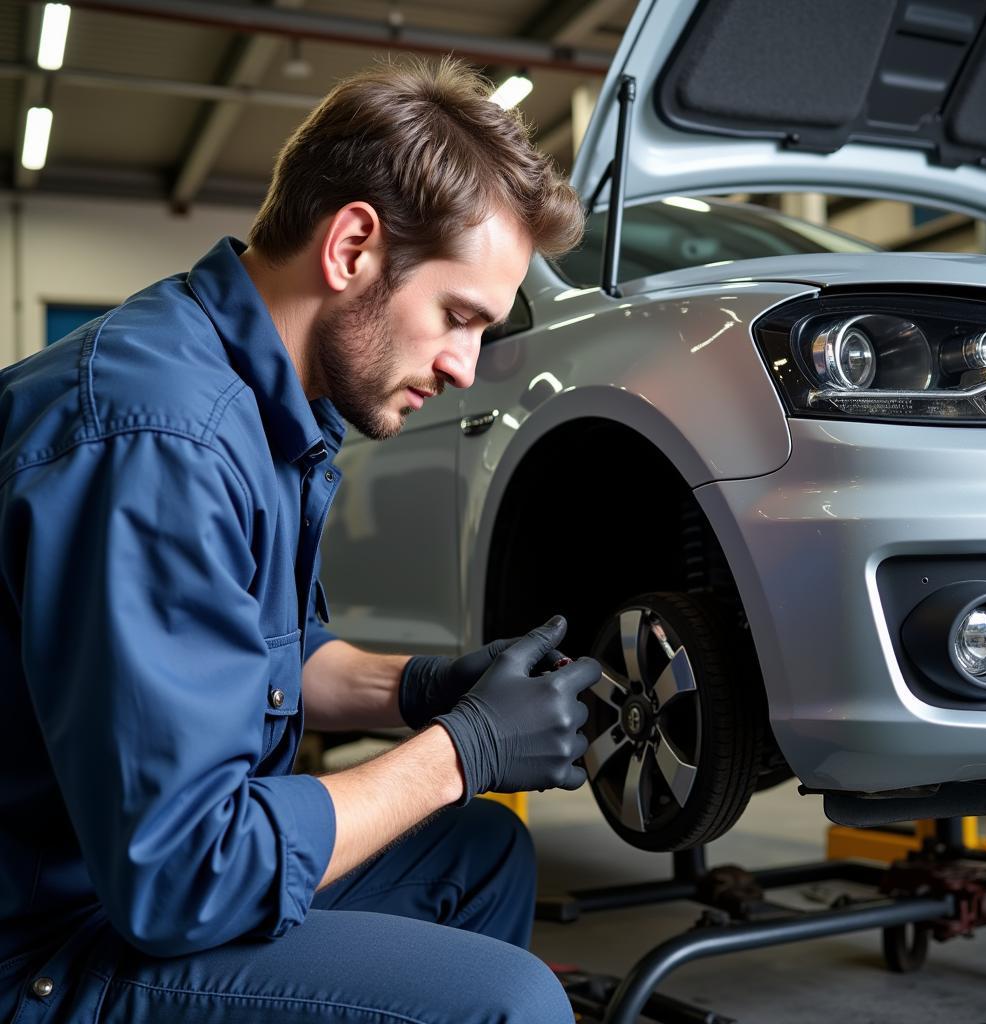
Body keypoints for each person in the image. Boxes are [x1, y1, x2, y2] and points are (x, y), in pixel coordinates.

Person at [0, 58, 600, 1023]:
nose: (463, 368)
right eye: (457, 317)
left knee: (480, 853)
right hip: (45, 938)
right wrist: (463, 751)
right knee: (511, 1003)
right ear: (353, 246)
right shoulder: (160, 441)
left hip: (116, 884)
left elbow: (262, 658)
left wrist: (422, 687)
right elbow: (184, 877)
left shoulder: (258, 399)